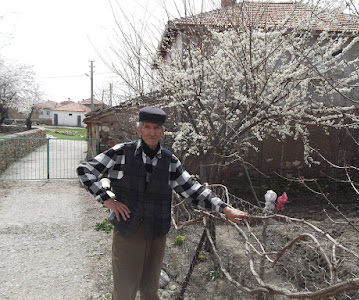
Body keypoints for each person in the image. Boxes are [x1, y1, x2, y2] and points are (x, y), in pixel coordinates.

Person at [77, 106, 248, 300]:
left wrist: (224, 208)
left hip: (156, 232)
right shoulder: (122, 153)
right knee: (125, 291)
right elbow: (85, 170)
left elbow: (191, 189)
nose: (152, 132)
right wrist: (107, 200)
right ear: (138, 129)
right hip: (128, 230)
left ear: (163, 131)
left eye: (156, 127)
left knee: (150, 291)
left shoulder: (170, 161)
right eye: (147, 127)